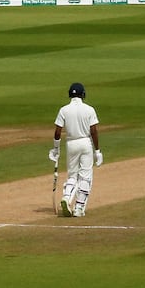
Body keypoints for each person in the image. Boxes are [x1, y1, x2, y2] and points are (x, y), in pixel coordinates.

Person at [49, 83, 102, 218]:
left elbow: (57, 131)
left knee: (72, 175)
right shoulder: (89, 109)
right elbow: (94, 131)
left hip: (71, 143)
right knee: (85, 176)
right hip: (85, 143)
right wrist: (97, 151)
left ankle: (66, 198)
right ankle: (79, 207)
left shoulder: (64, 110)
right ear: (83, 94)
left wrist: (56, 149)